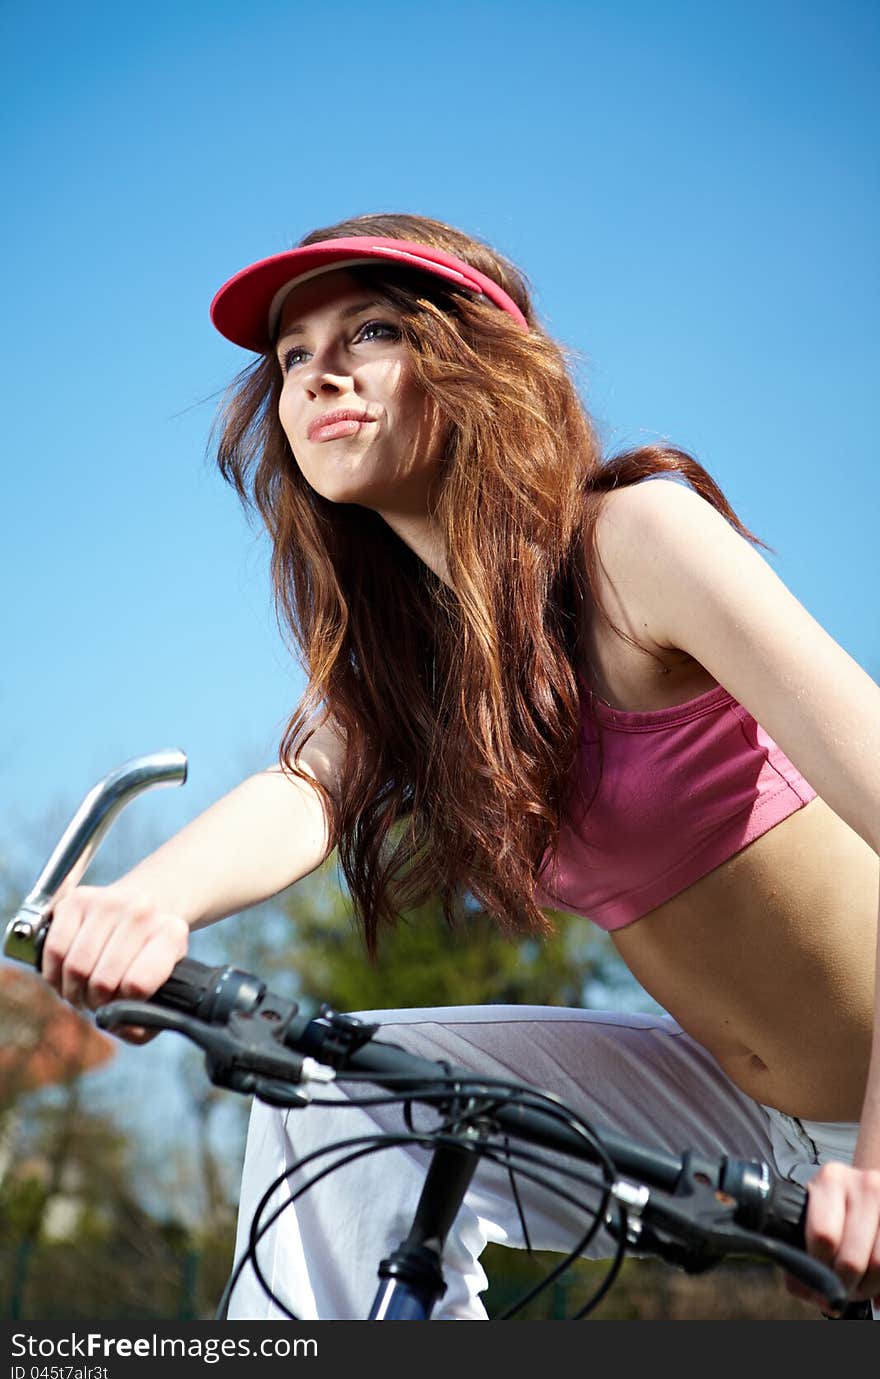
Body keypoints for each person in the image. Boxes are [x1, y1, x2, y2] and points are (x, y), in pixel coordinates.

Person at [40, 213, 880, 1320]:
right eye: (292, 357)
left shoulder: (639, 546)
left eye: (371, 330)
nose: (319, 373)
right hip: (736, 1104)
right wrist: (149, 903)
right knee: (333, 1104)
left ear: (481, 365)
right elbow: (305, 789)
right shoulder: (418, 658)